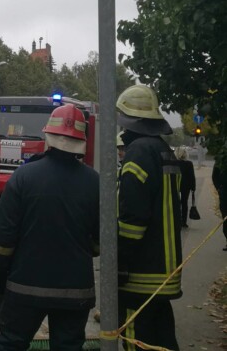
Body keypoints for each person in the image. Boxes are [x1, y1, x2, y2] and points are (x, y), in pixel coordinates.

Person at [0, 104, 100, 350]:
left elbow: (3, 240)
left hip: (24, 288)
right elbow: (101, 240)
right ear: (81, 141)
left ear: (48, 137)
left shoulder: (23, 177)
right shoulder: (95, 182)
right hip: (75, 292)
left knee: (11, 344)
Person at [116, 84, 182, 350]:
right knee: (162, 339)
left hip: (141, 273)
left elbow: (133, 219)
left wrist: (119, 261)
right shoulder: (162, 149)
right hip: (164, 269)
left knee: (136, 340)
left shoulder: (139, 152)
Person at [174, 146, 196, 228]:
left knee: (176, 203)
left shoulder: (174, 163)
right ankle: (184, 222)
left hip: (176, 185)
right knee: (184, 203)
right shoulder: (189, 164)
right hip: (186, 187)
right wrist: (193, 188)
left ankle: (177, 221)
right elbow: (192, 177)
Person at [211, 153, 227, 251]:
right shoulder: (220, 160)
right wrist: (220, 189)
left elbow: (214, 176)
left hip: (224, 192)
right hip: (224, 192)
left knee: (225, 217)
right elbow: (214, 176)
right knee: (225, 217)